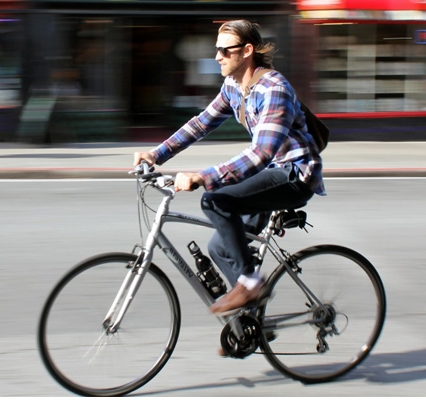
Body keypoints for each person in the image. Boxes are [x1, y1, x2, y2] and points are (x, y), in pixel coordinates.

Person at [133, 19, 325, 316]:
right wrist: (156, 155)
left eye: (225, 50)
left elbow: (261, 153)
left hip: (295, 174)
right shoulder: (234, 87)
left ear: (247, 51)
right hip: (270, 173)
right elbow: (201, 123)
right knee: (220, 248)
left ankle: (249, 283)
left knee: (215, 200)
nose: (217, 57)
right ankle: (250, 322)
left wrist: (203, 177)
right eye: (217, 49)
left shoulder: (275, 89)